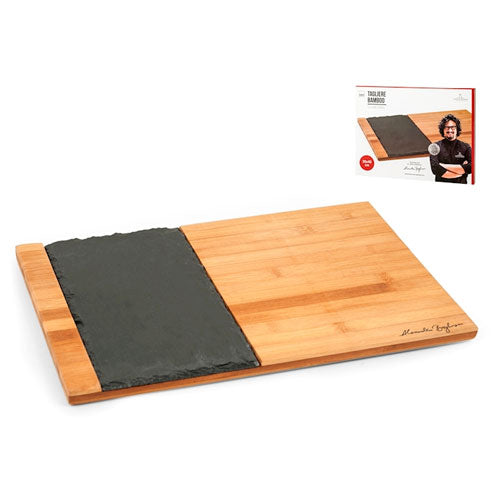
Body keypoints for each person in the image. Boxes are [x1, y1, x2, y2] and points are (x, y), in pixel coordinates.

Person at [429, 114, 472, 183]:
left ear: (457, 129)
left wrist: (442, 165)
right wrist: (461, 171)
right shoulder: (434, 147)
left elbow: (471, 167)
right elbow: (435, 169)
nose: (450, 130)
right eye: (447, 127)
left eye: (453, 127)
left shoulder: (466, 147)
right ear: (442, 130)